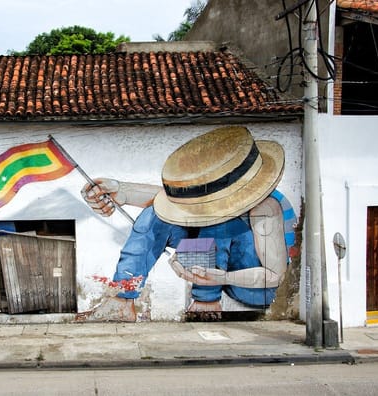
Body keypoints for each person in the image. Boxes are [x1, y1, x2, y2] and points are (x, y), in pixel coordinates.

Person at [78, 126, 294, 322]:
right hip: (220, 269)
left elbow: (275, 276)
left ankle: (206, 304)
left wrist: (221, 276)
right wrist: (120, 190)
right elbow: (173, 204)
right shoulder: (218, 199)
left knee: (218, 224)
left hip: (256, 288)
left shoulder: (266, 208)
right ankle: (122, 300)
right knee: (155, 215)